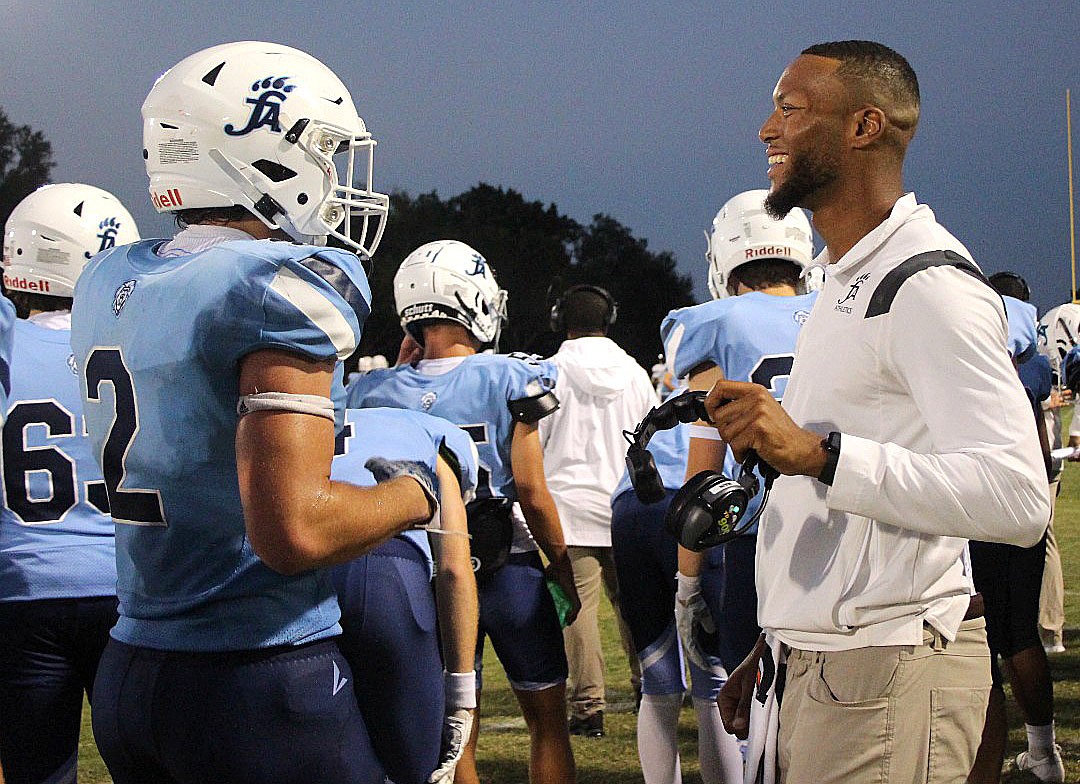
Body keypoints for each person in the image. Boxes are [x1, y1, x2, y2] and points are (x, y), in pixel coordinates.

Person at [70, 42, 435, 783]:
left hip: (132, 667)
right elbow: (293, 529)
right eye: (325, 151)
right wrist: (416, 493)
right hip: (256, 681)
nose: (337, 175)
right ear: (263, 152)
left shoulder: (111, 277)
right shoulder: (274, 284)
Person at [714, 40, 1050, 783]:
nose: (767, 129)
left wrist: (822, 456)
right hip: (828, 660)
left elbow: (1020, 499)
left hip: (891, 666)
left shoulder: (926, 285)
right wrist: (780, 641)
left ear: (865, 127)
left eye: (791, 109)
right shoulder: (846, 276)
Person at [346, 239, 580, 784]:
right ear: (473, 297)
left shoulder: (373, 390)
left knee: (454, 736)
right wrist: (561, 562)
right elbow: (531, 489)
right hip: (508, 569)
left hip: (426, 570)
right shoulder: (511, 375)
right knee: (548, 725)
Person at [662, 188, 818, 783]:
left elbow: (701, 473)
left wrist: (686, 582)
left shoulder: (715, 325)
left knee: (756, 706)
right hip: (848, 520)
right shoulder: (840, 306)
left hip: (760, 539)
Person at [0, 183, 139, 784]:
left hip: (21, 591)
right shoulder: (141, 346)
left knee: (38, 772)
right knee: (151, 763)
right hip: (129, 591)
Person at [330, 407, 479, 784]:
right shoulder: (431, 435)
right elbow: (454, 570)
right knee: (414, 769)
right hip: (386, 579)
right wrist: (462, 691)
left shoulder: (297, 425)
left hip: (295, 582)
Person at [539, 283, 653, 738]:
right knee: (636, 608)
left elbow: (537, 442)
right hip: (626, 506)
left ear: (560, 320)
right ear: (609, 319)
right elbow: (650, 440)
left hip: (569, 509)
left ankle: (588, 709)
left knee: (578, 613)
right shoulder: (635, 373)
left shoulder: (549, 372)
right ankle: (651, 687)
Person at [966, 291, 1062, 784]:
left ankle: (985, 770)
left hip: (976, 505)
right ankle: (1045, 755)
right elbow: (1040, 449)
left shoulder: (957, 347)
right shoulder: (1027, 362)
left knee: (978, 649)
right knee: (1021, 635)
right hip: (1023, 502)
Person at [610, 383, 728, 784]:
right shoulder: (736, 383)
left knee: (657, 678)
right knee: (712, 678)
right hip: (696, 504)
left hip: (632, 507)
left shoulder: (670, 391)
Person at [1035, 301, 1080, 653]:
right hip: (1043, 447)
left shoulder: (1049, 319)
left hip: (1036, 448)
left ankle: (1048, 629)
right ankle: (1047, 630)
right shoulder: (1066, 318)